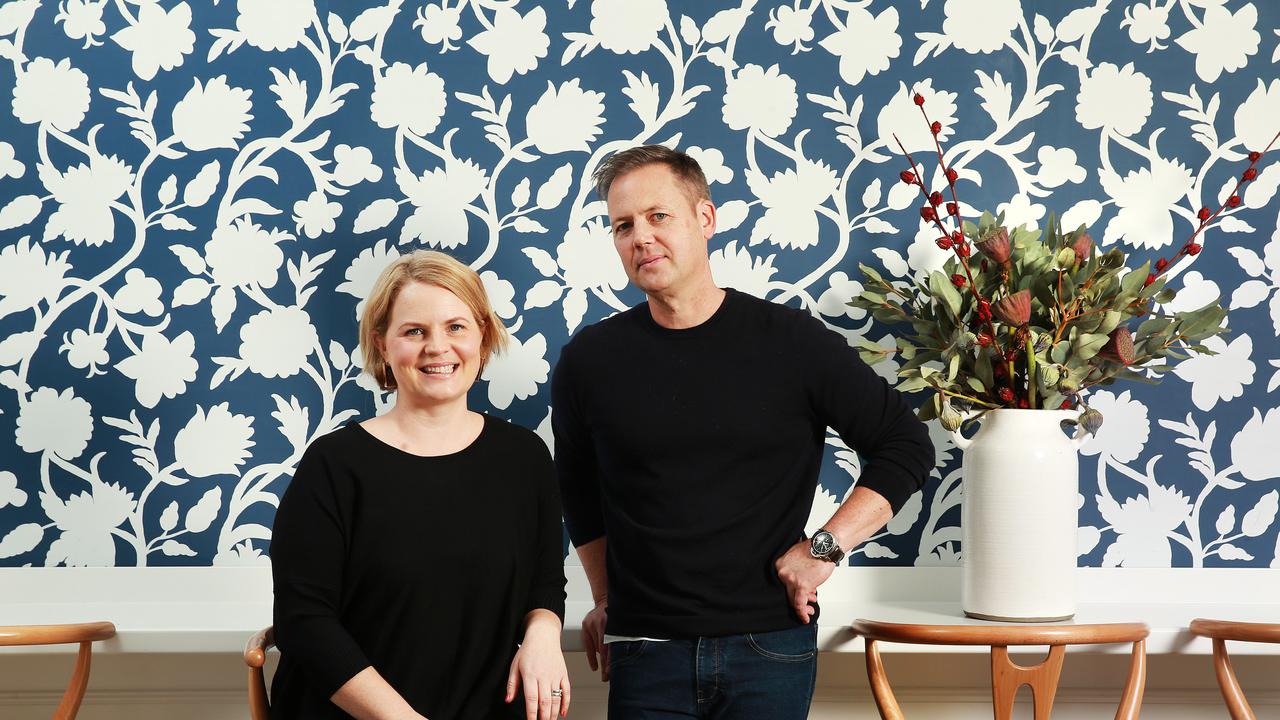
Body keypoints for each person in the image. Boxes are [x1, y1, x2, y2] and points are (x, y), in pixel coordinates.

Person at [551, 145, 936, 719]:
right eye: (623, 225)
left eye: (659, 216)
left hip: (769, 647)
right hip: (645, 652)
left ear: (705, 219)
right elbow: (579, 495)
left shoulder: (790, 341)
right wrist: (605, 597)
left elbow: (905, 444)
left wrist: (824, 549)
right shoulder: (590, 360)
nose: (641, 238)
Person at [270, 250, 569, 720]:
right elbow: (304, 623)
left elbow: (545, 582)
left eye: (456, 327)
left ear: (483, 339)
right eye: (414, 331)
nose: (437, 347)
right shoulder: (333, 465)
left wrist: (544, 636)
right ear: (383, 345)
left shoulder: (524, 457)